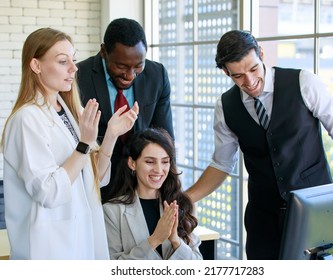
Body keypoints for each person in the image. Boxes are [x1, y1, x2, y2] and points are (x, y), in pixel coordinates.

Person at [186, 30, 333, 260]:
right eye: (237, 76)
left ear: (261, 54)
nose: (250, 81)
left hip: (315, 214)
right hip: (262, 219)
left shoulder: (304, 82)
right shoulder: (225, 106)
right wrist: (186, 197)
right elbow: (222, 164)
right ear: (225, 72)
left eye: (254, 69)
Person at [0, 27, 139, 259]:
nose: (74, 68)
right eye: (63, 61)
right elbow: (49, 192)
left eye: (73, 60)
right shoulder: (27, 119)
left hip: (81, 240)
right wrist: (83, 144)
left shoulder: (72, 112)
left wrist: (111, 135)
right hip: (47, 249)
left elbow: (95, 178)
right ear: (36, 66)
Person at [77, 18, 174, 201]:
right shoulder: (79, 77)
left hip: (144, 187)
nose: (130, 75)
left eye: (138, 66)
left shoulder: (157, 75)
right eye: (121, 66)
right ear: (104, 51)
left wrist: (170, 191)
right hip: (96, 185)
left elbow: (165, 137)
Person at [103, 128, 202, 260]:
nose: (159, 170)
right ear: (132, 163)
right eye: (150, 162)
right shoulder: (112, 211)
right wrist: (155, 239)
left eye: (165, 161)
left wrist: (176, 241)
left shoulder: (183, 204)